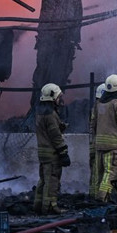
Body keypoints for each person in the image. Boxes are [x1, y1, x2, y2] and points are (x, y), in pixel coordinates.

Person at [91, 74, 117, 202]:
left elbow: (93, 124)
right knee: (110, 173)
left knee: (99, 173)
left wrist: (94, 141)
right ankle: (101, 198)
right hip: (112, 146)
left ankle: (96, 197)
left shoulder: (98, 104)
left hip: (99, 145)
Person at [33, 83, 70, 215]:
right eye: (59, 97)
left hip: (43, 153)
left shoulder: (40, 113)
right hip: (52, 153)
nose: (60, 99)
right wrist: (63, 152)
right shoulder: (51, 115)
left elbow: (47, 131)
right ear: (53, 97)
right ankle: (50, 207)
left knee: (43, 180)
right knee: (52, 180)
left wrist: (60, 126)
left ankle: (38, 205)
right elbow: (55, 136)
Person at [88, 83, 106, 199]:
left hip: (93, 144)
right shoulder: (104, 108)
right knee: (104, 172)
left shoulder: (94, 107)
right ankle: (102, 197)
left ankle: (93, 195)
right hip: (102, 145)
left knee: (94, 171)